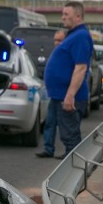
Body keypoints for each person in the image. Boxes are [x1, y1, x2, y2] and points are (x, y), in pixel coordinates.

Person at [42, 1, 93, 158]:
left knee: (70, 136)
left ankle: (72, 171)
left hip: (69, 97)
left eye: (66, 15)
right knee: (66, 133)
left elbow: (81, 68)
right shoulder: (73, 35)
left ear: (78, 16)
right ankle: (69, 164)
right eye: (62, 14)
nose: (63, 18)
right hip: (60, 95)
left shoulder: (81, 37)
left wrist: (70, 95)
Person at [35, 29, 67, 158]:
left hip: (63, 95)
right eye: (55, 40)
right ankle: (48, 148)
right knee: (50, 123)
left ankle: (69, 150)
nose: (57, 43)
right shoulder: (56, 53)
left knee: (65, 126)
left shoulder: (66, 54)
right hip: (53, 95)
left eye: (60, 40)